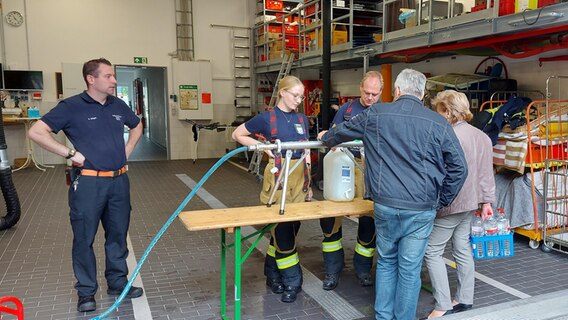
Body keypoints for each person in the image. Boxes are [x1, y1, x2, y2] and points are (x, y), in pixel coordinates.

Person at [317, 68, 467, 320]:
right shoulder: (437, 122)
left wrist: (327, 137)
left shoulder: (376, 113)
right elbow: (459, 167)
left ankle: (383, 316)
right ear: (421, 94)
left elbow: (340, 132)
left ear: (396, 91)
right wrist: (442, 199)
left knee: (386, 261)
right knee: (409, 268)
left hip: (385, 204)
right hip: (421, 207)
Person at [28, 58, 144, 312]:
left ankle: (117, 283)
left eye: (113, 76)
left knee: (117, 236)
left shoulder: (118, 105)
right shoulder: (71, 107)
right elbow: (36, 132)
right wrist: (69, 154)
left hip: (118, 181)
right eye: (108, 76)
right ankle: (86, 292)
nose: (114, 81)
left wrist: (127, 150)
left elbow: (137, 126)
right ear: (91, 79)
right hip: (89, 183)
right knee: (84, 238)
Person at [232, 75, 311, 303]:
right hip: (278, 180)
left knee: (289, 229)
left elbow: (306, 150)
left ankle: (272, 273)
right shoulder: (267, 119)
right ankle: (292, 282)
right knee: (283, 232)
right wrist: (262, 148)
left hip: (299, 179)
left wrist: (309, 185)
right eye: (295, 95)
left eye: (301, 96)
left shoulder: (301, 119)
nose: (299, 100)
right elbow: (237, 134)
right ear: (283, 93)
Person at [421, 90, 495, 319]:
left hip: (451, 204)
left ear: (447, 110)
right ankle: (465, 298)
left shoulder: (447, 136)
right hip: (472, 203)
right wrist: (486, 202)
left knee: (432, 251)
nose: (437, 114)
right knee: (462, 248)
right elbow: (486, 173)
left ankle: (442, 304)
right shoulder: (481, 136)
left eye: (438, 110)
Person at [319, 70, 384, 290]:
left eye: (375, 94)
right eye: (367, 92)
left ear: (381, 93)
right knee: (331, 218)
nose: (370, 98)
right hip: (344, 165)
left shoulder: (384, 112)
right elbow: (334, 132)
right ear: (360, 89)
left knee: (369, 218)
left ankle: (363, 269)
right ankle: (332, 270)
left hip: (370, 170)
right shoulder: (347, 110)